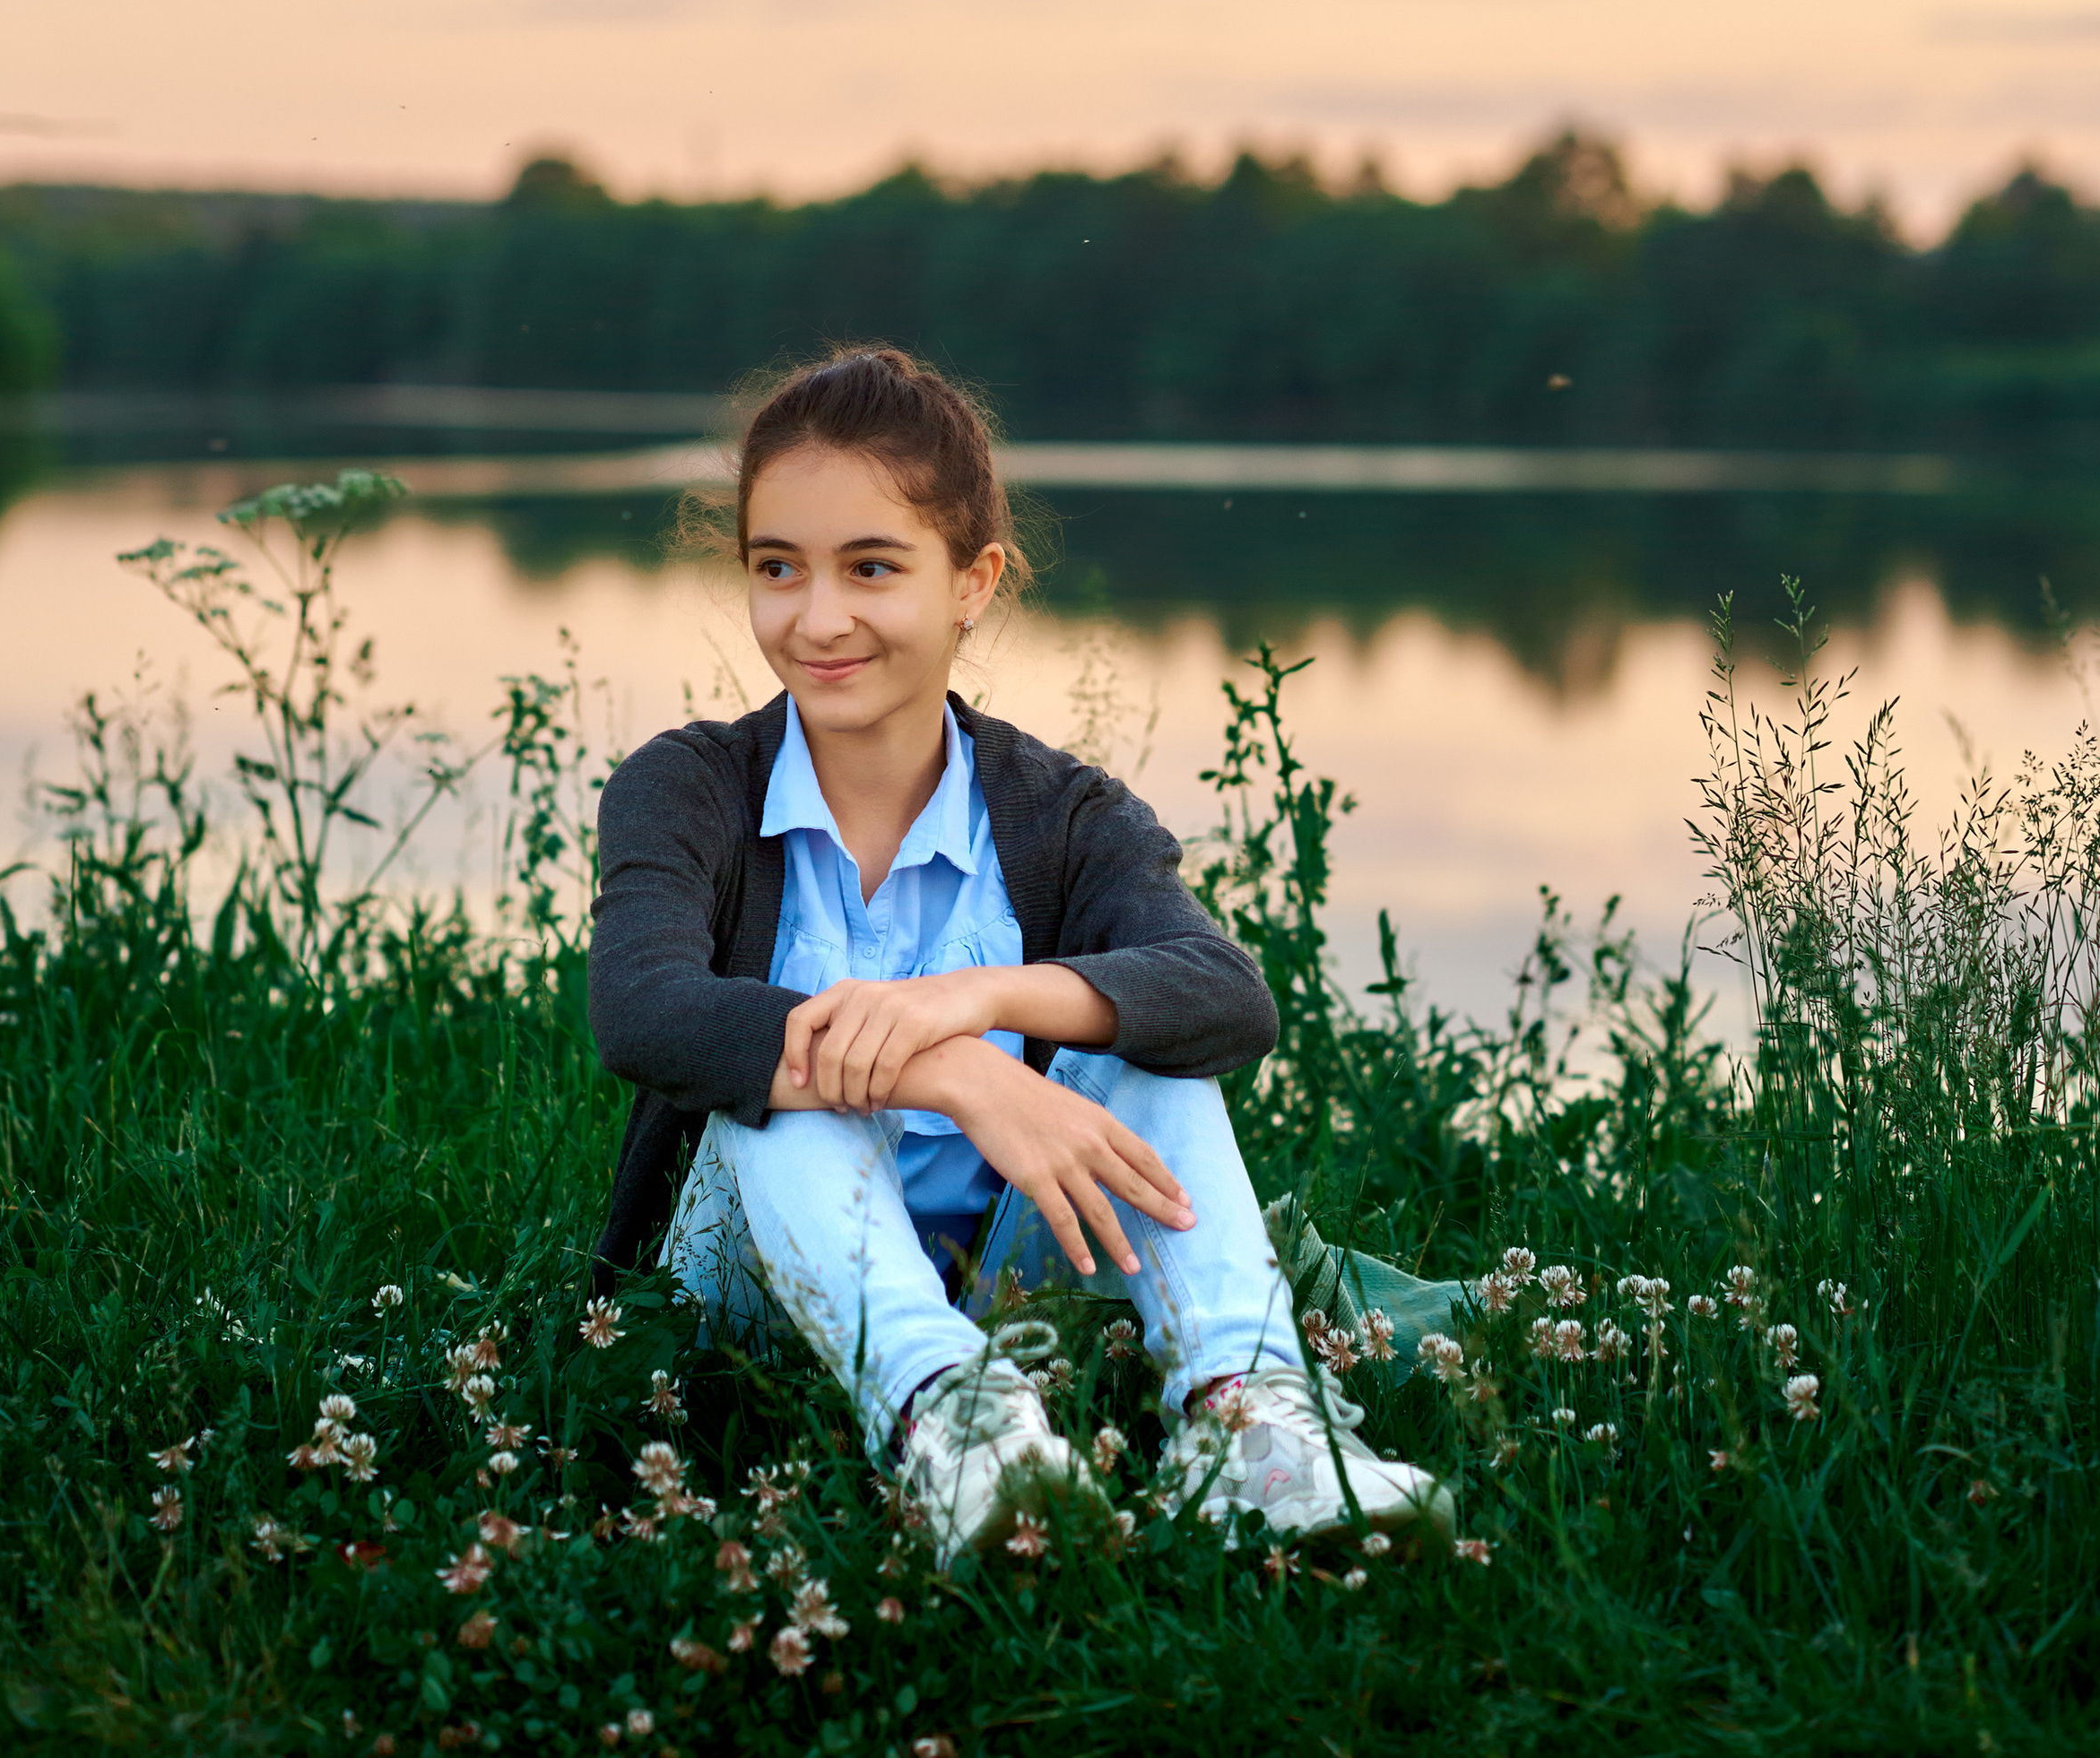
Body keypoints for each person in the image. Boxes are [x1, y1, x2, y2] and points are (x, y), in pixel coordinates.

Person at [587, 344, 1456, 1565]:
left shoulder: (1063, 810)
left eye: (872, 567)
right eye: (777, 566)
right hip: (756, 1284)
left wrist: (978, 998)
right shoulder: (686, 785)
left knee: (1155, 1046)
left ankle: (1252, 1427)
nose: (816, 615)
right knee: (783, 1062)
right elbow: (645, 1011)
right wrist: (954, 1070)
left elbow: (1228, 996)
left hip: (1012, 1274)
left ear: (972, 580)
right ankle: (951, 1421)